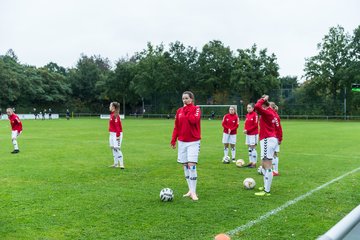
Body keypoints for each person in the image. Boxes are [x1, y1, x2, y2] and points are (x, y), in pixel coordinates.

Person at [171, 91, 201, 201]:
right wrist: (173, 139)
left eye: (187, 98)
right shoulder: (179, 111)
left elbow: (194, 120)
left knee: (191, 165)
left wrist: (187, 109)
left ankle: (193, 192)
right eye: (183, 98)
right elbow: (176, 127)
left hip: (193, 141)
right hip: (182, 142)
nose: (185, 100)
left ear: (191, 99)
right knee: (185, 165)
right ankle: (190, 190)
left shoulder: (196, 109)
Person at [254, 95, 278, 196]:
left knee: (267, 164)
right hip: (270, 139)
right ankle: (265, 186)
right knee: (264, 164)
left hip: (267, 140)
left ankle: (266, 191)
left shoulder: (267, 112)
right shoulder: (271, 112)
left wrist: (264, 99)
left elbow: (257, 106)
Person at [108, 102, 124, 169]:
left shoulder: (116, 116)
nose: (109, 107)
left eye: (110, 105)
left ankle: (121, 164)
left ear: (113, 107)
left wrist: (117, 136)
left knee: (117, 148)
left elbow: (118, 127)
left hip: (116, 134)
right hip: (111, 134)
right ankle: (115, 164)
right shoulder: (112, 115)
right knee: (113, 148)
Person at [269, 102, 283, 176]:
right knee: (270, 154)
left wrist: (280, 138)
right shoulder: (269, 115)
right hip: (269, 137)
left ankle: (275, 171)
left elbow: (279, 128)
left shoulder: (275, 116)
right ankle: (271, 169)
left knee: (274, 153)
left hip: (274, 137)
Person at [243, 103, 259, 168]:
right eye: (247, 108)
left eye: (249, 108)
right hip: (248, 134)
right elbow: (246, 124)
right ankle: (250, 162)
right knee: (249, 147)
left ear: (253, 108)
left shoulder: (255, 115)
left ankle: (254, 163)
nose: (248, 109)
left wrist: (248, 130)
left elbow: (255, 125)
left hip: (253, 134)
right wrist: (245, 129)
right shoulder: (247, 115)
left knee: (253, 147)